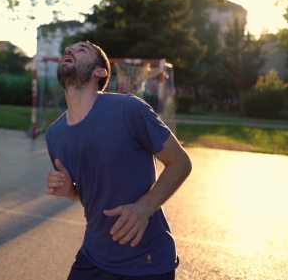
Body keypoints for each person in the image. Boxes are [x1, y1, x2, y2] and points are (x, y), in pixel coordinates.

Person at [46, 41, 192, 280]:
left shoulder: (128, 109)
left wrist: (145, 207)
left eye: (81, 50)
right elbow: (88, 193)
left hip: (146, 260)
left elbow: (181, 162)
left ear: (99, 72)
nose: (69, 51)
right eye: (66, 51)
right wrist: (69, 190)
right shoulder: (55, 135)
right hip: (94, 256)